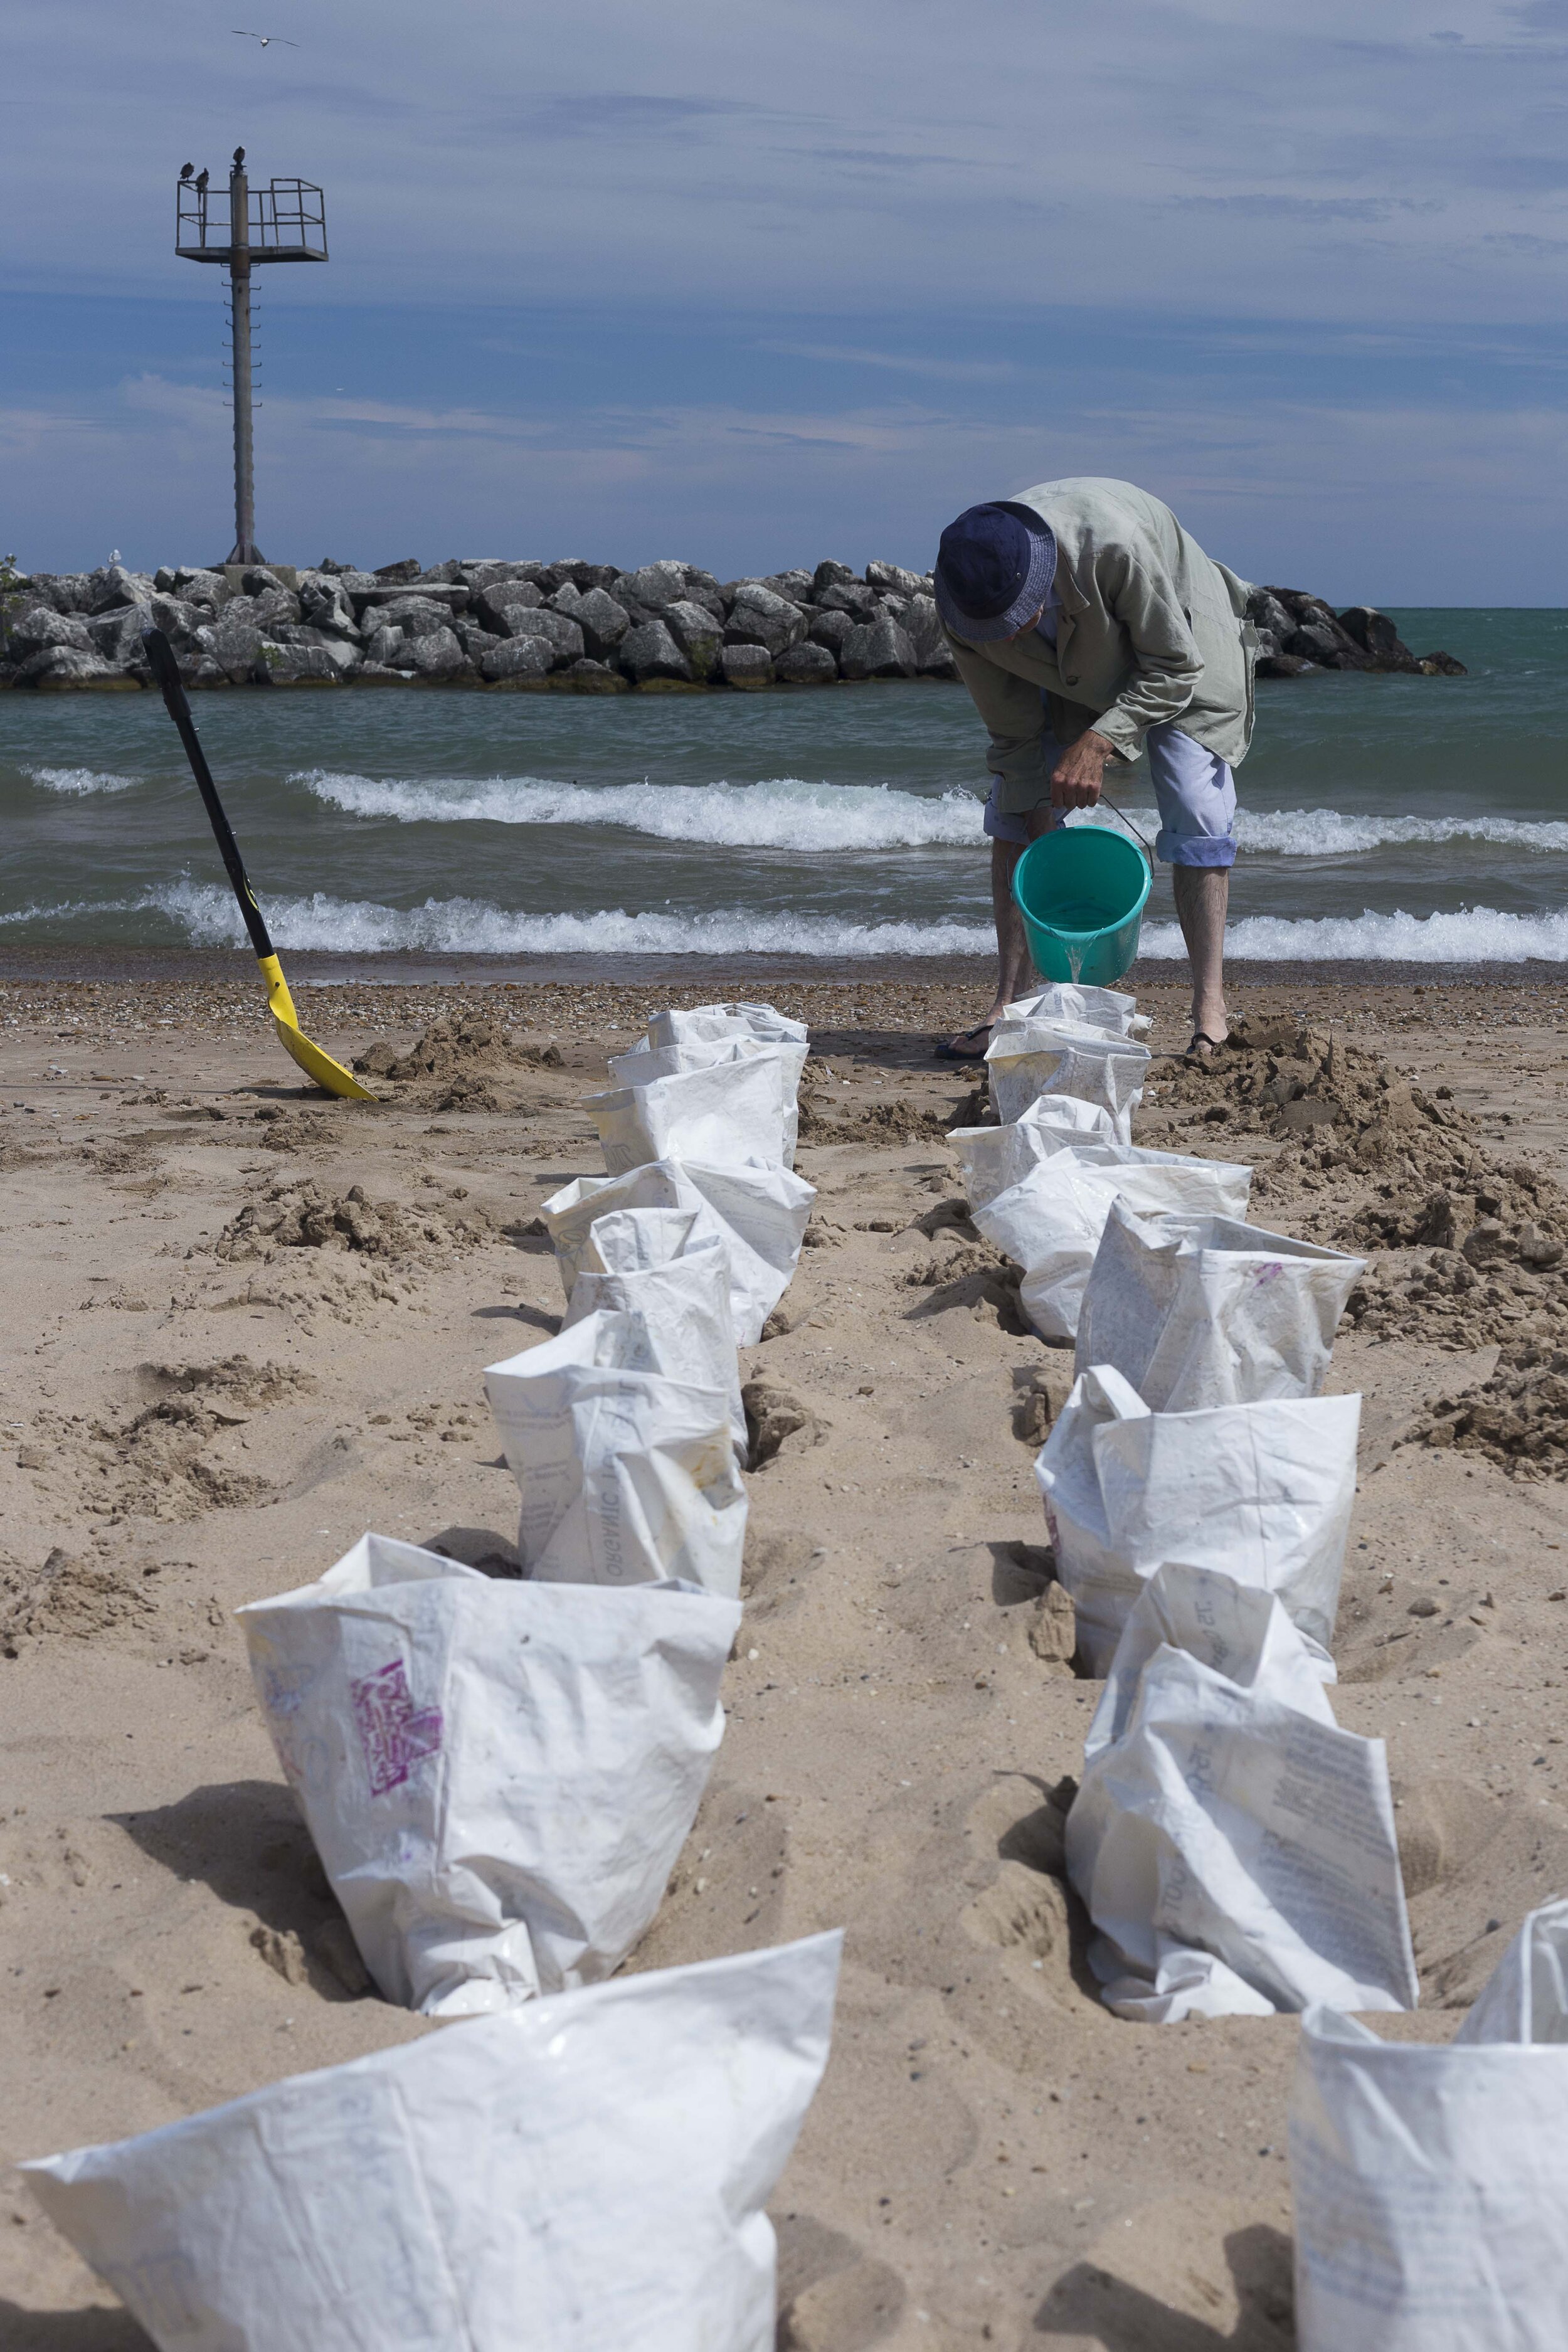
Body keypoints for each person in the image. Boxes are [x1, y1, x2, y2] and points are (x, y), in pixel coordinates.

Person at [931, 478, 1256, 1062]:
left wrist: (1100, 740)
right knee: (1012, 806)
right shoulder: (966, 608)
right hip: (1071, 666)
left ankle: (1211, 1011)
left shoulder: (1115, 548)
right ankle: (1008, 1005)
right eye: (993, 629)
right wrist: (1042, 841)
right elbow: (1014, 736)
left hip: (1180, 632)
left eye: (1015, 616)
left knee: (1197, 805)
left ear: (1038, 577)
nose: (1004, 637)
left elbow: (1175, 668)